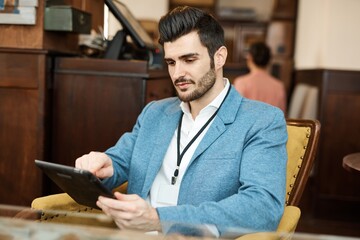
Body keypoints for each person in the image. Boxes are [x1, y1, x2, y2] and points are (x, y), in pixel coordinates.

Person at [75, 6, 288, 237]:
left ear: (219, 57)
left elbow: (262, 206)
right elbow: (120, 161)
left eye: (189, 59)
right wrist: (103, 164)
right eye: (171, 62)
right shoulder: (154, 113)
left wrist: (159, 220)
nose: (178, 73)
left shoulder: (262, 121)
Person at [233, 42, 287, 113]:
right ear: (269, 60)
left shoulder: (241, 82)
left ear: (250, 58)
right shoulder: (279, 86)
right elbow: (282, 115)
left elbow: (235, 113)